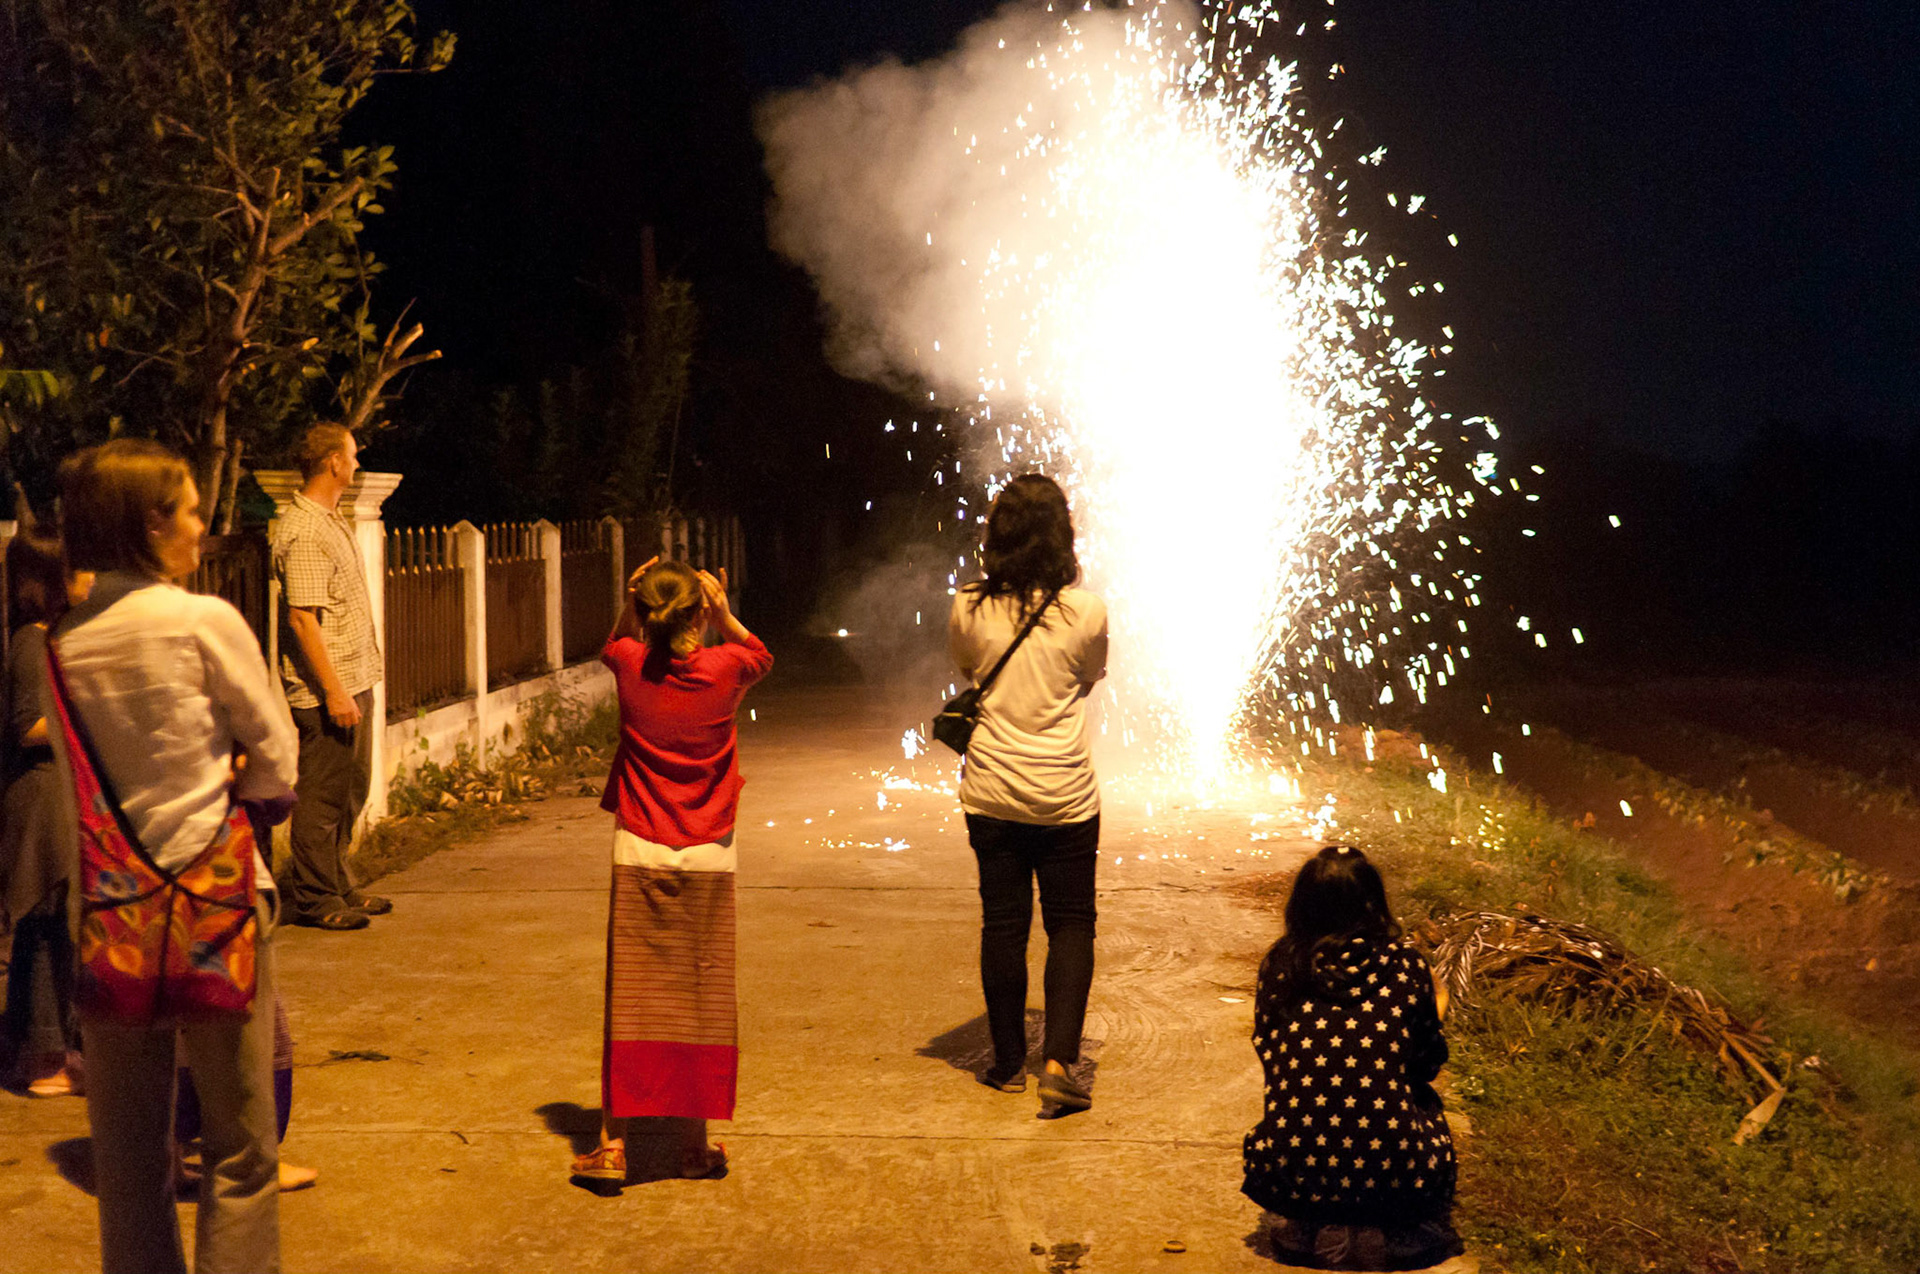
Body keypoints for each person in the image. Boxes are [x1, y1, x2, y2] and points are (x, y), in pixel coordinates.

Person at [48, 438, 299, 1274]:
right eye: (191, 510)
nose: (202, 525)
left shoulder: (64, 645)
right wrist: (243, 783)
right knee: (239, 1147)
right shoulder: (201, 622)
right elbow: (276, 755)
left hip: (110, 916)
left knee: (127, 1159)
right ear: (152, 523)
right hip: (214, 904)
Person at [572, 557, 772, 1189]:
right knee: (700, 994)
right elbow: (761, 653)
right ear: (698, 612)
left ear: (646, 614)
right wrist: (723, 610)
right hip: (711, 851)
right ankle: (693, 1144)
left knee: (630, 998)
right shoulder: (725, 669)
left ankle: (611, 1145)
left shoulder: (633, 665)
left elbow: (611, 644)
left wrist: (632, 603)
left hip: (639, 847)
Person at [948, 474, 1108, 1115]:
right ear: (1062, 534)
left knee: (1003, 925)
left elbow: (967, 669)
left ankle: (1007, 1062)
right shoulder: (1087, 611)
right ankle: (1058, 1065)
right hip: (1066, 794)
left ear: (998, 535)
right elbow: (1090, 676)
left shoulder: (967, 606)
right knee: (1071, 924)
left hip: (991, 792)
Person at [1242, 844, 1464, 1272]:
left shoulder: (1283, 962)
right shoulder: (1404, 965)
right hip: (1394, 1163)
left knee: (1305, 1124)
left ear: (1301, 905)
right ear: (1374, 902)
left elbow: (1273, 1057)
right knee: (1425, 1110)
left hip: (1296, 1163)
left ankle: (1319, 1221)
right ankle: (1379, 1224)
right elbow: (1425, 1064)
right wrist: (1437, 1006)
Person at [269, 423, 390, 930]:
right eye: (353, 455)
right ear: (333, 463)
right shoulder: (305, 531)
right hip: (326, 690)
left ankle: (338, 884)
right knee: (321, 797)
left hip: (352, 678)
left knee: (350, 789)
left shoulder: (328, 519)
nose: (358, 463)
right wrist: (334, 691)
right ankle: (315, 897)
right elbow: (302, 618)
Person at [0, 529, 91, 1096]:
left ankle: (40, 1050)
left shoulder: (45, 639)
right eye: (78, 572)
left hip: (51, 799)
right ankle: (43, 1060)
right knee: (44, 925)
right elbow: (28, 725)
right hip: (39, 805)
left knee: (54, 925)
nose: (88, 581)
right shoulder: (31, 645)